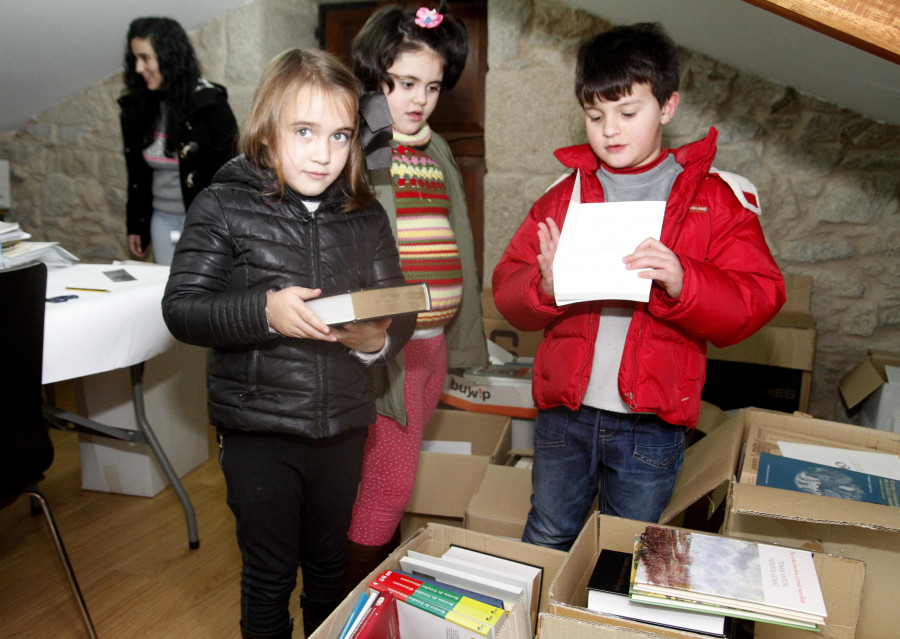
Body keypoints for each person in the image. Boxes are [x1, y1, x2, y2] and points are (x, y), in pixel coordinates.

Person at [492, 23, 785, 551]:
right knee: (549, 533)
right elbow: (506, 289)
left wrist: (684, 280)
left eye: (628, 112)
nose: (610, 130)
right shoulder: (565, 194)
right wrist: (544, 285)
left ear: (667, 107)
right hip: (566, 412)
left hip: (650, 421)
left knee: (628, 550)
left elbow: (759, 295)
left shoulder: (712, 198)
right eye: (595, 115)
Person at [161, 48, 415, 639]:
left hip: (344, 428)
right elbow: (182, 310)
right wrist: (265, 311)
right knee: (270, 576)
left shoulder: (366, 213)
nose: (322, 153)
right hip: (259, 432)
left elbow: (395, 306)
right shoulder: (222, 204)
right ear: (269, 128)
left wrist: (375, 340)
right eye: (304, 131)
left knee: (330, 570)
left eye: (339, 135)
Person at [345, 2, 488, 583]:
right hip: (389, 353)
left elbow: (463, 247)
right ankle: (354, 600)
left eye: (430, 86)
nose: (418, 99)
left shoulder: (437, 151)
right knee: (390, 480)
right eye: (403, 83)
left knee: (386, 481)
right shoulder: (358, 151)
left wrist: (467, 344)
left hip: (434, 346)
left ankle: (373, 590)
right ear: (374, 78)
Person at [119, 16, 238, 265]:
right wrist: (135, 224)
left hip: (203, 220)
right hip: (160, 219)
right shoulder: (136, 108)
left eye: (145, 58)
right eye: (135, 59)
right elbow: (137, 175)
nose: (139, 68)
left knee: (201, 294)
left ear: (169, 56)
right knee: (167, 292)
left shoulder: (209, 104)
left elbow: (231, 174)